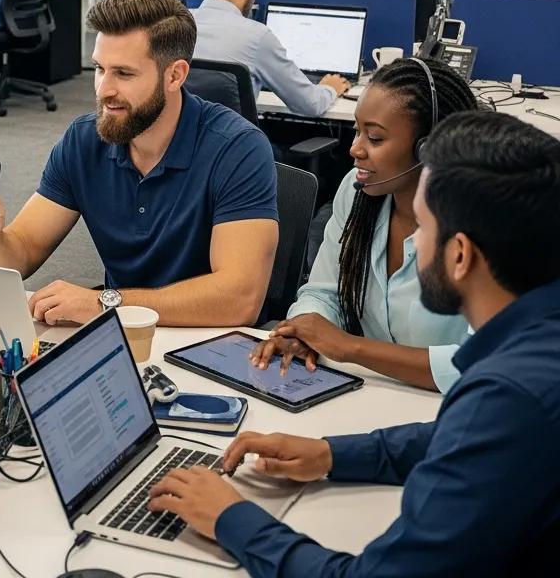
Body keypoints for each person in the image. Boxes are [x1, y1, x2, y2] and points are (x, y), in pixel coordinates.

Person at [147, 110, 560, 577]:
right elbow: (460, 440)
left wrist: (231, 519)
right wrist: (331, 455)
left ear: (460, 255)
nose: (412, 241)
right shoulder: (533, 345)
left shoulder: (511, 395)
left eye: (422, 227)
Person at [0, 0, 279, 328]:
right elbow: (22, 251)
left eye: (124, 73)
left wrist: (106, 303)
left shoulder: (238, 148)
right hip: (122, 333)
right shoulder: (85, 140)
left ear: (175, 76)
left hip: (209, 344)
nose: (103, 89)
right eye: (99, 69)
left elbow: (240, 299)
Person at [254, 56, 479, 392]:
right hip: (368, 396)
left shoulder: (484, 223)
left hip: (453, 413)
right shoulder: (357, 191)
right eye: (357, 130)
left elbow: (481, 364)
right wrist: (304, 331)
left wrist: (350, 347)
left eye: (374, 138)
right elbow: (324, 292)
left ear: (428, 149)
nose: (355, 149)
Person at [193, 0, 350, 115]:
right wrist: (329, 88)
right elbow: (310, 105)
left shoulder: (179, 24)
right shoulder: (256, 37)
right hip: (236, 140)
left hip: (180, 139)